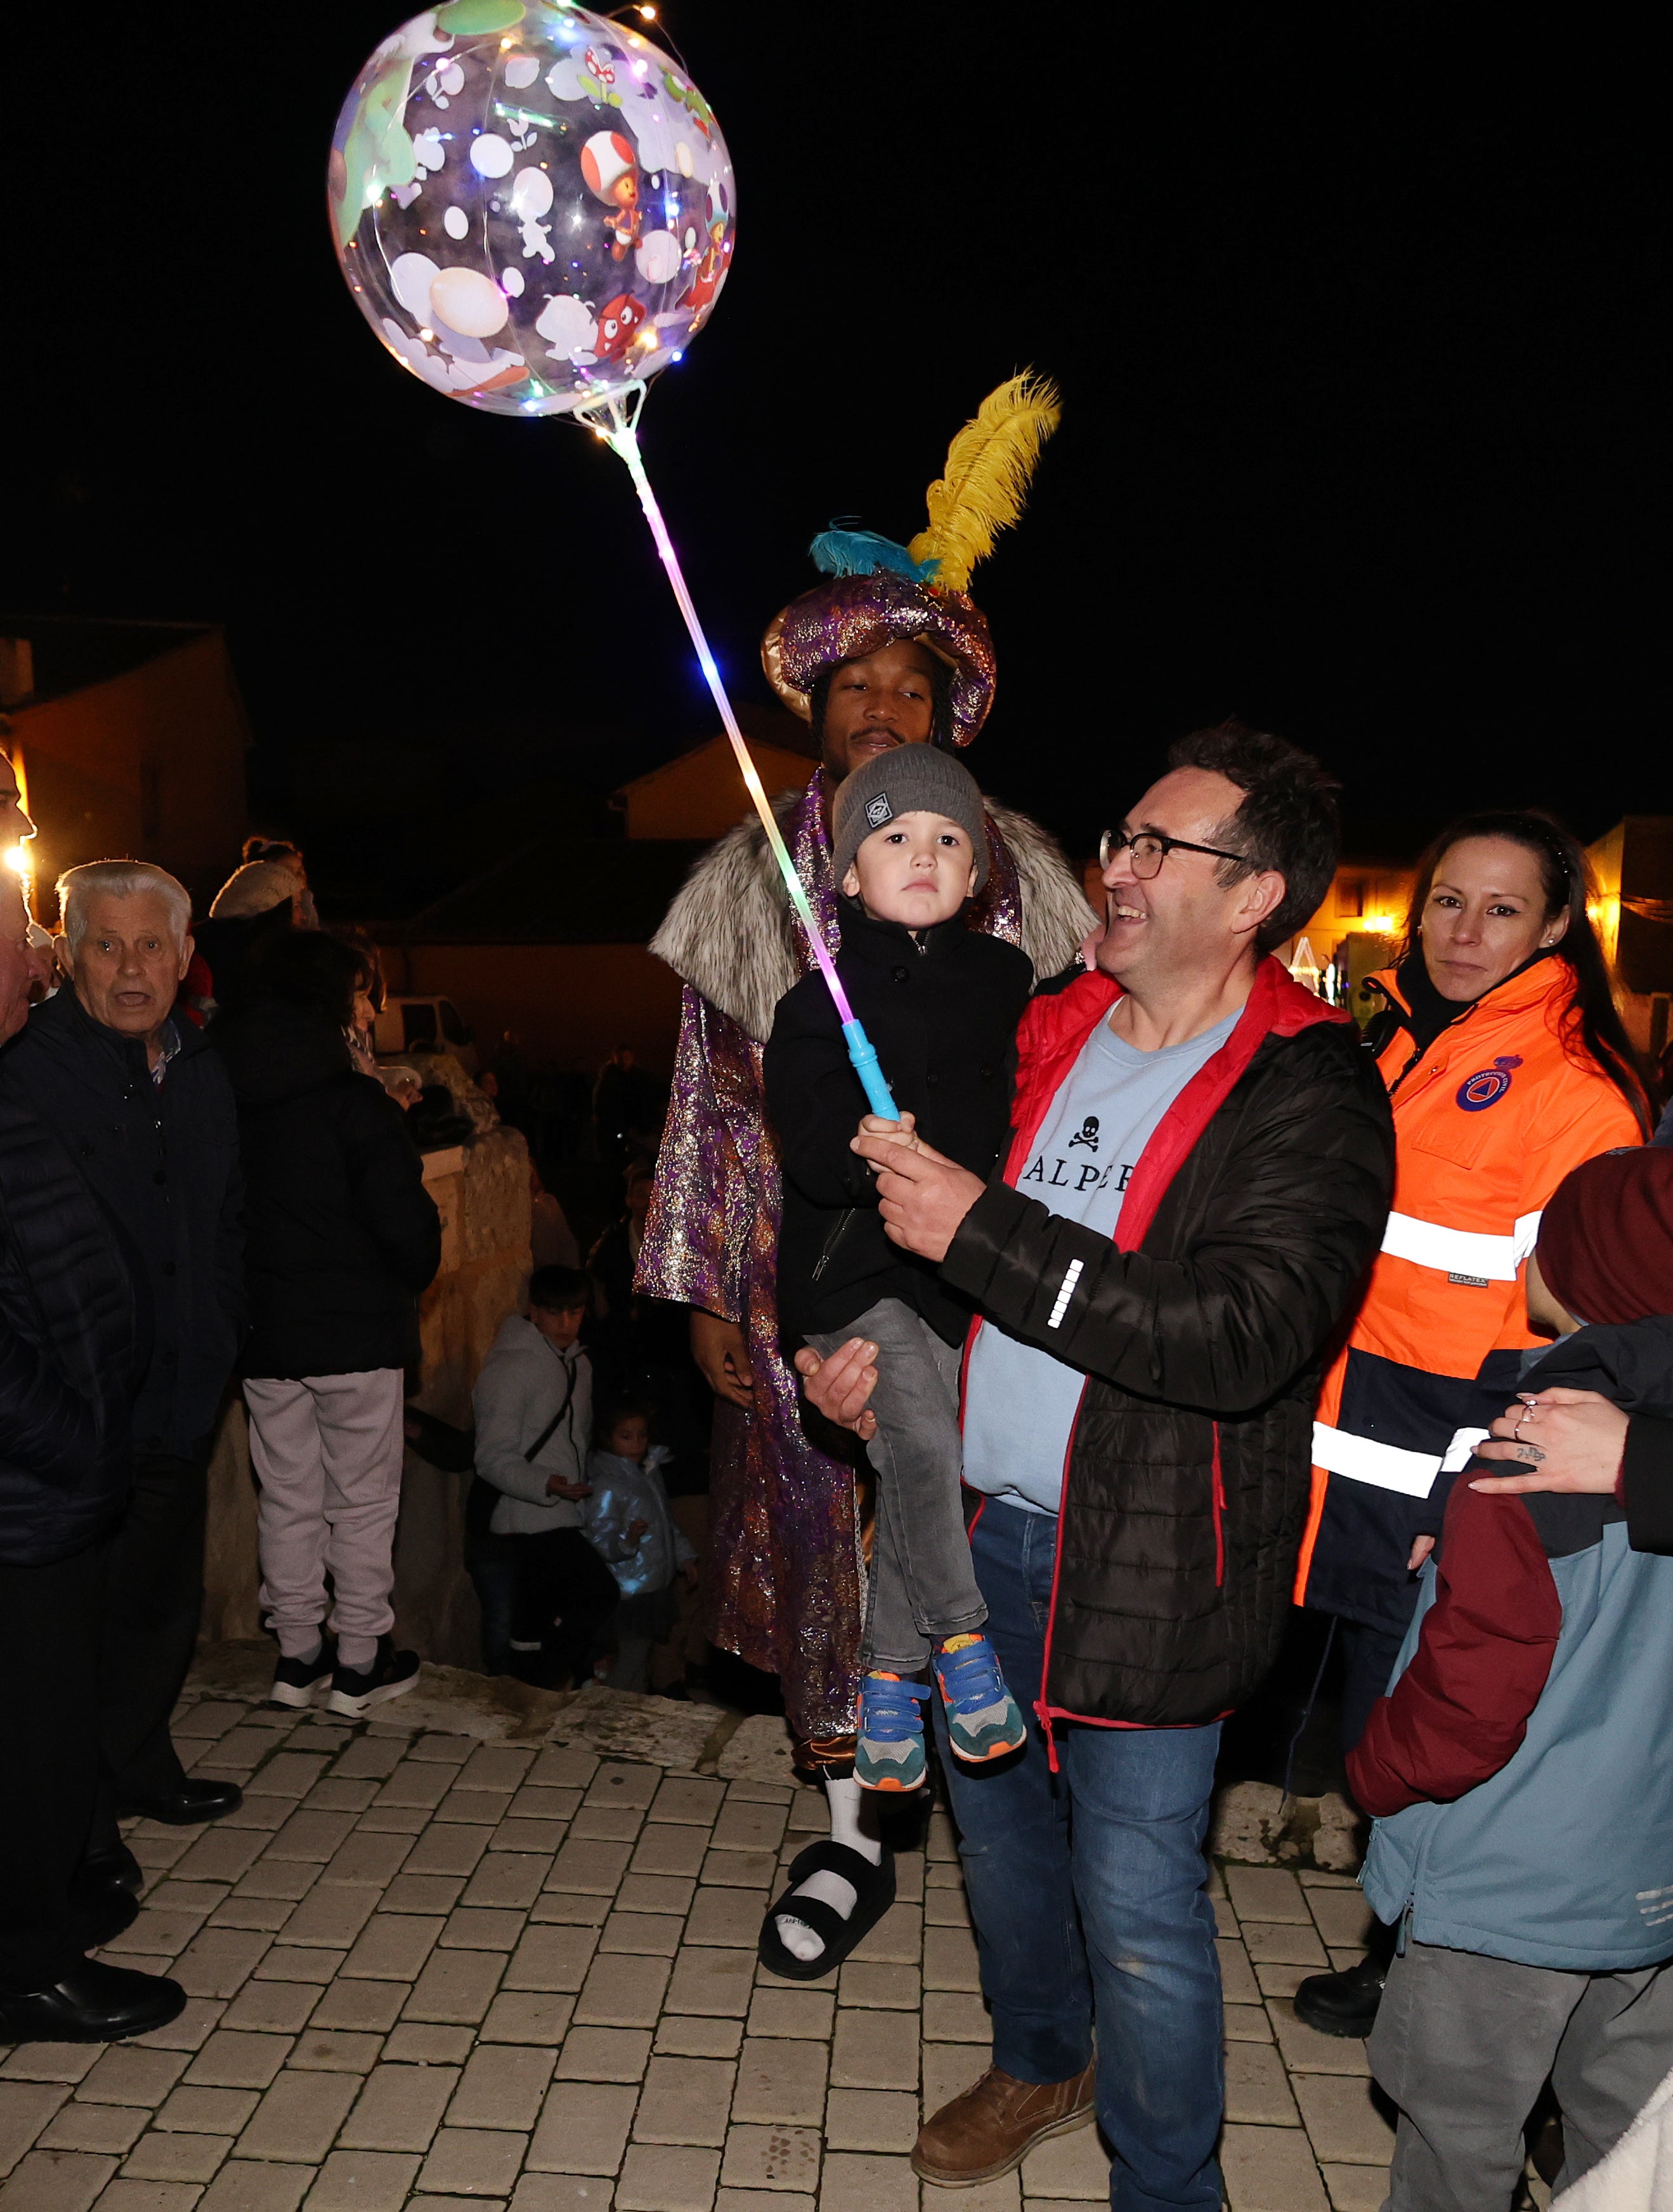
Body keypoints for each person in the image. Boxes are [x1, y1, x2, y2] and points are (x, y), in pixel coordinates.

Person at [800, 723, 1395, 2209]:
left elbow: (1241, 1332)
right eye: (1113, 837)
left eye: (1152, 848)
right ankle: (1039, 2052)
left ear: (1252, 893)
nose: (1107, 868)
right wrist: (858, 1356)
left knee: (1137, 1903)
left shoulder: (1307, 1088)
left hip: (1151, 1559)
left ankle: (1165, 2186)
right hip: (978, 1529)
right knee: (996, 1842)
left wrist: (980, 1235)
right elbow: (906, 1233)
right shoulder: (1045, 1026)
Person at [638, 375, 1094, 1976]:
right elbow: (706, 1107)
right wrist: (706, 1287)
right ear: (814, 715)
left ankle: (1008, 1846)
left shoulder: (1015, 870)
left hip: (978, 1274)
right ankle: (845, 1837)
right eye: (852, 693)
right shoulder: (741, 881)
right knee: (821, 1543)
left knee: (959, 1521)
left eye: (909, 690)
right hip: (796, 1276)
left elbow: (1058, 1093)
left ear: (945, 716)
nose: (877, 713)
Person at [1293, 810, 1650, 2039]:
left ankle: (1419, 1966)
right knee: (1367, 1701)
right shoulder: (1402, 1041)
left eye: (1500, 908)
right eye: (1446, 900)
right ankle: (1385, 1942)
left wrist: (1470, 1496)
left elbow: (1574, 1333)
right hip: (1356, 1437)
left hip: (1442, 1465)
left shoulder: (1569, 1091)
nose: (1461, 929)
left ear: (1555, 927)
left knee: (1428, 1712)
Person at [1348, 1147, 1673, 2208]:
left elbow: (1471, 1700)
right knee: (1626, 2136)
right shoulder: (1639, 1443)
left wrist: (1377, 1768)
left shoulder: (1533, 1440)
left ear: (1590, 1268)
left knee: (1455, 2128)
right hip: (1650, 1873)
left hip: (1507, 1883)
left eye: (1549, 1232)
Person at [764, 747, 1034, 1819]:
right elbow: (803, 1142)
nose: (922, 856)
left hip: (957, 1277)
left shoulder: (1010, 983)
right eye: (893, 837)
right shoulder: (814, 998)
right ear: (844, 873)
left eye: (948, 839)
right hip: (848, 1277)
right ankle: (960, 1640)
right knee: (917, 1440)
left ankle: (885, 1681)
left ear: (976, 874)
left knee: (931, 1469)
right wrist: (852, 1140)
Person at [0, 861, 244, 1900]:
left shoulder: (199, 1066)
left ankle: (139, 1761)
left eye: (154, 944)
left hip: (182, 1393)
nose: (133, 966)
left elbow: (225, 1223)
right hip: (80, 1419)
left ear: (187, 957)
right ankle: (81, 1829)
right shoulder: (31, 1078)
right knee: (70, 1639)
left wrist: (225, 1339)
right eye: (108, 943)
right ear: (67, 954)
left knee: (157, 1602)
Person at [0, 874, 187, 2043]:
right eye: (19, 937)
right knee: (27, 1732)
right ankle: (25, 1968)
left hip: (53, 1482)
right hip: (27, 1488)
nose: (34, 954)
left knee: (47, 1721)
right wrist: (74, 1436)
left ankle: (42, 1910)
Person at [211, 932, 442, 1717]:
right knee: (363, 1498)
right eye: (361, 994)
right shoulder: (352, 1102)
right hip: (355, 1334)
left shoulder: (225, 1090)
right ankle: (358, 1660)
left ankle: (296, 1654)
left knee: (287, 1496)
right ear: (335, 1002)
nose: (369, 1009)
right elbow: (408, 1235)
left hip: (266, 1336)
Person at [469, 1264, 618, 1686]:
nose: (567, 1323)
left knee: (533, 1621)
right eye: (555, 1312)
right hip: (523, 1516)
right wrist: (545, 1483)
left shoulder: (578, 1364)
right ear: (534, 1311)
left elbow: (578, 1437)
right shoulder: (511, 1368)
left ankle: (535, 1693)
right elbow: (492, 1456)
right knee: (596, 1593)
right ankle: (546, 1684)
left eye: (576, 1311)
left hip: (562, 1512)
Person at [583, 1400, 698, 1693]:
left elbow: (666, 1524)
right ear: (608, 1438)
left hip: (653, 1583)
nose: (636, 1443)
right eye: (626, 1436)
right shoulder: (608, 1483)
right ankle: (616, 1713)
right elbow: (600, 1535)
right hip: (629, 1589)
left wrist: (684, 1558)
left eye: (642, 1435)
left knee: (640, 1658)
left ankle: (627, 1711)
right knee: (630, 1660)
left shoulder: (647, 1473)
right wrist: (628, 1541)